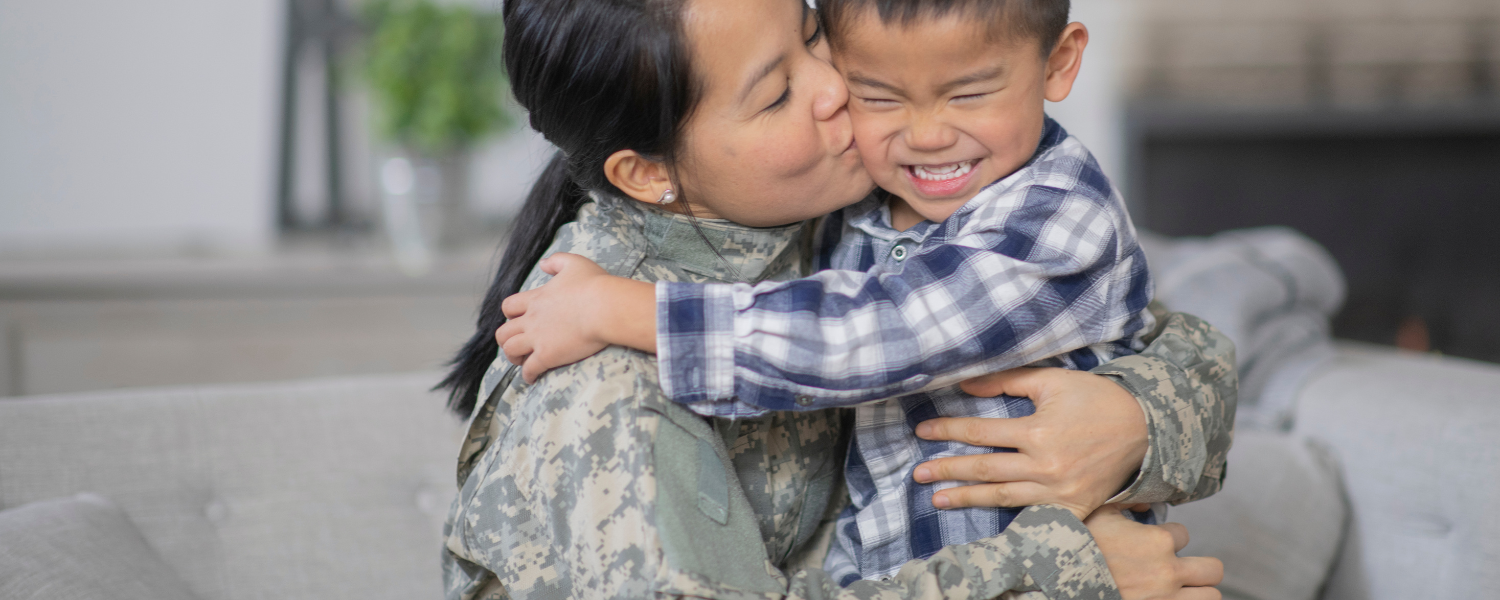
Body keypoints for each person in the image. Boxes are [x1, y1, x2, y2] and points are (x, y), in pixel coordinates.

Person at [439, 0, 1233, 597]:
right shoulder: (605, 391)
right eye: (779, 92)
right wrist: (1067, 568)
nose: (836, 91)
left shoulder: (818, 206)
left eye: (812, 34)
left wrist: (1135, 422)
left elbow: (1161, 330)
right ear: (648, 173)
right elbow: (868, 331)